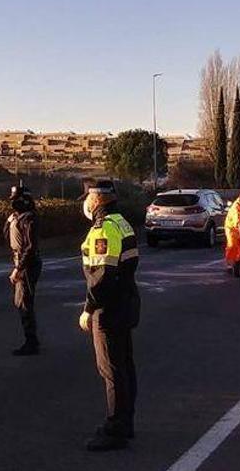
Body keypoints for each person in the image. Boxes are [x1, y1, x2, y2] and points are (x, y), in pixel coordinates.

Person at [77, 180, 140, 451]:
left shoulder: (104, 229)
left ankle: (116, 428)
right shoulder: (121, 222)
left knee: (111, 369)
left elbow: (101, 276)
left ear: (98, 199)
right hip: (125, 302)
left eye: (88, 198)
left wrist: (88, 309)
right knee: (124, 365)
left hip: (109, 308)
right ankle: (125, 422)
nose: (86, 204)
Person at [3, 185, 42, 356]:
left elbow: (30, 247)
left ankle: (31, 341)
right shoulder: (18, 218)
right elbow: (7, 235)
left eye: (16, 200)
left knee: (24, 302)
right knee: (21, 302)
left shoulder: (29, 219)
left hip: (28, 264)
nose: (13, 203)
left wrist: (19, 268)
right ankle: (31, 340)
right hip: (21, 261)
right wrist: (9, 221)